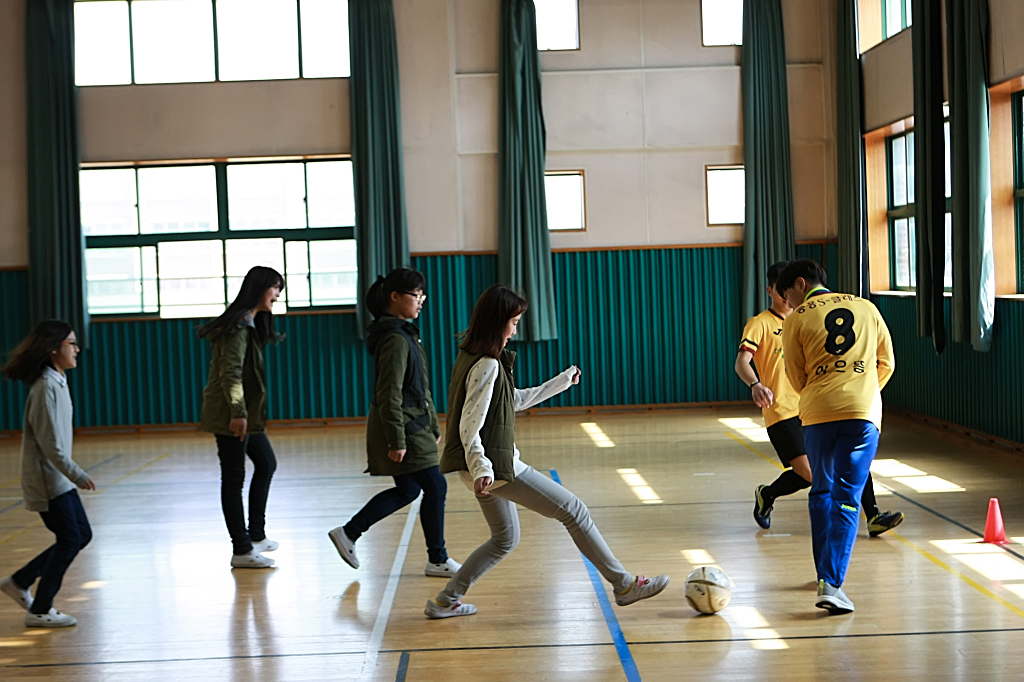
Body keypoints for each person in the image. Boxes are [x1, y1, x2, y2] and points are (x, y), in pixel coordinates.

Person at [425, 285, 669, 619]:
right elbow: (470, 425)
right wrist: (482, 467)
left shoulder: (472, 358)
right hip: (494, 468)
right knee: (574, 510)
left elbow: (514, 401)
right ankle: (624, 584)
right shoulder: (487, 365)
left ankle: (445, 600)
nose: (515, 330)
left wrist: (562, 382)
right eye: (513, 322)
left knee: (504, 539)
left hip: (481, 469)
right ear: (497, 322)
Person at [737, 262, 903, 537]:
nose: (787, 300)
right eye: (781, 294)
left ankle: (873, 514)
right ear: (771, 291)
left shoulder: (813, 316)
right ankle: (767, 494)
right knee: (812, 474)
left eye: (788, 292)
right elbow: (742, 361)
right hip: (781, 409)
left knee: (848, 458)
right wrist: (755, 384)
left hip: (817, 405)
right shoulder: (761, 323)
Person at [778, 260, 895, 614]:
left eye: (788, 296)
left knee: (821, 491)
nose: (788, 303)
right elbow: (886, 362)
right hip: (861, 414)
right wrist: (864, 393)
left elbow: (795, 375)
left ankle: (822, 576)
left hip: (816, 413)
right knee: (847, 497)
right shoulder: (866, 307)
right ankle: (832, 582)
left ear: (801, 284)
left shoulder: (796, 319)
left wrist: (818, 395)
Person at [328, 269, 461, 578]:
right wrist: (396, 440)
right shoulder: (395, 339)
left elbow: (419, 386)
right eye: (416, 296)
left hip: (417, 424)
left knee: (408, 490)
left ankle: (349, 532)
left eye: (422, 296)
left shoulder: (404, 334)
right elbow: (389, 393)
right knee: (435, 486)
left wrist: (435, 424)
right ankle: (437, 558)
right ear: (395, 297)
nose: (421, 301)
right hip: (407, 428)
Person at [0, 321, 96, 628]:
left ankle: (19, 581)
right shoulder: (45, 388)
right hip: (48, 480)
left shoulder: (58, 379)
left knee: (81, 535)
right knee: (70, 539)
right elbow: (51, 445)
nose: (76, 348)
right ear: (54, 348)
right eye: (71, 343)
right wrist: (78, 474)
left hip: (59, 478)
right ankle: (41, 608)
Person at [198, 266, 284, 569]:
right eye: (274, 287)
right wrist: (238, 412)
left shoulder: (249, 323)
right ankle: (242, 549)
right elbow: (230, 374)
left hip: (245, 415)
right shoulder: (237, 326)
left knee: (266, 463)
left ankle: (256, 535)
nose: (277, 294)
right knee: (233, 479)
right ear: (260, 288)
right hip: (232, 415)